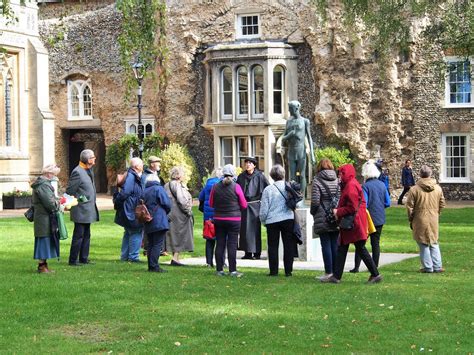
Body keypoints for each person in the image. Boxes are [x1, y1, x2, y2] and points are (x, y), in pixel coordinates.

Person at [323, 164, 382, 284]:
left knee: (359, 248)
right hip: (352, 223)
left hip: (354, 223)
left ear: (347, 174)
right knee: (343, 247)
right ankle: (336, 276)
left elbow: (352, 207)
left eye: (341, 173)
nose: (340, 176)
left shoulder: (351, 186)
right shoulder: (351, 184)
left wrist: (337, 211)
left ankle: (375, 274)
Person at [350, 160, 391, 273]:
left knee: (360, 243)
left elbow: (364, 204)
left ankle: (356, 267)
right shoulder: (382, 185)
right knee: (375, 243)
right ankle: (375, 266)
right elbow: (388, 202)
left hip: (368, 219)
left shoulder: (365, 186)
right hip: (379, 218)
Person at [406, 165, 446, 273]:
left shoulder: (414, 189)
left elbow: (409, 206)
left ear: (420, 174)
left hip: (419, 218)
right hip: (433, 217)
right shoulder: (437, 188)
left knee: (422, 242)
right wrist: (437, 213)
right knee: (434, 241)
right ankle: (437, 266)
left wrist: (411, 218)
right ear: (430, 174)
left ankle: (428, 267)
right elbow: (442, 203)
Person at [209, 164, 248, 277]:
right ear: (233, 174)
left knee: (220, 243)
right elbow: (244, 205)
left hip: (219, 219)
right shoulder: (236, 187)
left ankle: (219, 270)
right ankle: (232, 270)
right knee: (232, 244)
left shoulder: (215, 186)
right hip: (234, 219)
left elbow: (211, 203)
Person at [260, 164, 297, 277]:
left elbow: (264, 208)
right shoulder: (289, 187)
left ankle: (273, 271)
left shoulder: (268, 190)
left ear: (272, 176)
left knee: (272, 246)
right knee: (288, 245)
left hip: (272, 220)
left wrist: (263, 220)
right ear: (283, 174)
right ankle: (288, 271)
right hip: (287, 218)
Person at [66, 149, 99, 266]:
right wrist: (78, 201)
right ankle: (73, 260)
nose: (95, 159)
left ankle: (84, 258)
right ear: (88, 160)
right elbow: (70, 191)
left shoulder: (88, 170)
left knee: (86, 235)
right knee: (78, 235)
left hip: (88, 209)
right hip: (80, 209)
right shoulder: (77, 172)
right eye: (93, 157)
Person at [310, 158, 340, 281]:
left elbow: (315, 201)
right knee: (334, 244)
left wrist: (313, 212)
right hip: (335, 214)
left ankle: (328, 272)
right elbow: (340, 197)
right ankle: (336, 272)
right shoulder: (338, 180)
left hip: (322, 214)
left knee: (325, 244)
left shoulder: (317, 181)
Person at [236, 156, 269, 259]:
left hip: (255, 205)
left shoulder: (260, 176)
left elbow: (267, 189)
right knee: (244, 229)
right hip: (244, 205)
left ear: (254, 165)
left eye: (250, 163)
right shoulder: (241, 177)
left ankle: (257, 252)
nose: (247, 165)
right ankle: (247, 253)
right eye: (246, 163)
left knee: (255, 230)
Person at [281, 100, 315, 197]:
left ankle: (302, 197)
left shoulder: (305, 121)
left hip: (301, 151)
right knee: (292, 176)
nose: (289, 110)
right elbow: (283, 138)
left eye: (290, 108)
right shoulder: (289, 121)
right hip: (291, 151)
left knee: (302, 175)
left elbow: (309, 138)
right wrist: (290, 135)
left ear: (296, 108)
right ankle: (293, 196)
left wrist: (312, 154)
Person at [31, 164, 61, 273]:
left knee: (45, 240)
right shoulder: (43, 185)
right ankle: (42, 266)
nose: (55, 177)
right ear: (49, 174)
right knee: (44, 241)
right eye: (54, 174)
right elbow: (50, 203)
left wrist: (57, 200)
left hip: (44, 217)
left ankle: (44, 265)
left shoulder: (42, 184)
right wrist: (59, 203)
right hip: (44, 218)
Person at [114, 157, 145, 262]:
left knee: (128, 232)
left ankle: (124, 256)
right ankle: (133, 256)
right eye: (141, 164)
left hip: (128, 209)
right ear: (136, 166)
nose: (143, 165)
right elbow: (125, 192)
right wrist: (118, 202)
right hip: (131, 210)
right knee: (136, 231)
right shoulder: (132, 176)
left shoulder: (131, 175)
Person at [164, 166, 194, 266]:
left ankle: (176, 258)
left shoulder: (167, 185)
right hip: (179, 215)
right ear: (178, 175)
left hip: (171, 214)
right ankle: (175, 258)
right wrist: (188, 211)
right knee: (179, 235)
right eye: (182, 174)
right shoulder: (176, 185)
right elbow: (181, 200)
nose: (184, 176)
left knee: (174, 236)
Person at [143, 173, 171, 273]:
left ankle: (151, 266)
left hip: (148, 219)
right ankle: (154, 266)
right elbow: (167, 203)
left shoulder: (144, 190)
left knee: (151, 243)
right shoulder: (158, 189)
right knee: (157, 244)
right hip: (159, 219)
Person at [198, 167, 223, 267]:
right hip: (219, 214)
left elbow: (201, 198)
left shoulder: (207, 185)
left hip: (208, 216)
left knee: (209, 239)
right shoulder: (221, 184)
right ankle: (221, 261)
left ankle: (209, 262)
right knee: (220, 239)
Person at [142, 155, 166, 257]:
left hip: (154, 210)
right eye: (157, 162)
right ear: (152, 164)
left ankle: (154, 255)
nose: (159, 165)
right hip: (151, 210)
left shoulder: (157, 176)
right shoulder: (146, 176)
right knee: (153, 239)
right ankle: (152, 260)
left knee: (153, 238)